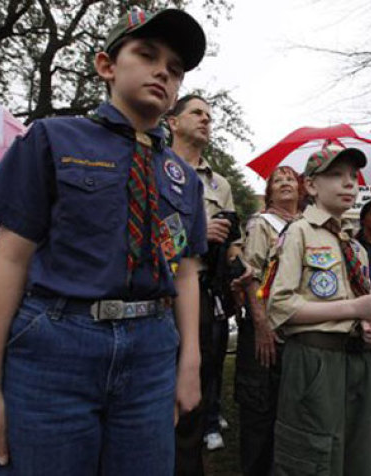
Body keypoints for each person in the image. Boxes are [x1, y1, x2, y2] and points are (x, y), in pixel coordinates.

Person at [0, 7, 207, 475]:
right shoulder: (52, 138)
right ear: (106, 65)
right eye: (147, 54)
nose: (163, 71)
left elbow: (187, 272)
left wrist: (190, 361)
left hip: (152, 351)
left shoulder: (185, 178)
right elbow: (10, 259)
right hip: (56, 345)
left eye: (175, 69)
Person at [266, 144, 371, 476]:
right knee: (313, 455)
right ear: (311, 186)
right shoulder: (298, 233)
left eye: (352, 176)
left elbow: (364, 307)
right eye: (335, 175)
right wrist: (353, 308)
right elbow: (279, 306)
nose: (348, 183)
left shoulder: (354, 246)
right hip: (315, 360)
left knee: (356, 453)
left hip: (356, 361)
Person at [167, 94, 251, 465]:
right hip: (156, 288)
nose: (205, 120)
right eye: (196, 113)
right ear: (172, 122)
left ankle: (190, 453)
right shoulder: (154, 166)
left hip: (202, 291)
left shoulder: (221, 184)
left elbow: (232, 240)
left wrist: (239, 263)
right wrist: (198, 232)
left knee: (197, 373)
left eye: (209, 116)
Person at [236, 165, 302, 476]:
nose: (286, 183)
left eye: (291, 178)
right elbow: (251, 278)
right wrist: (261, 326)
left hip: (296, 327)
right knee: (259, 409)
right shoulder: (262, 224)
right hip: (265, 327)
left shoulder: (307, 225)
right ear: (270, 191)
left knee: (289, 409)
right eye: (279, 180)